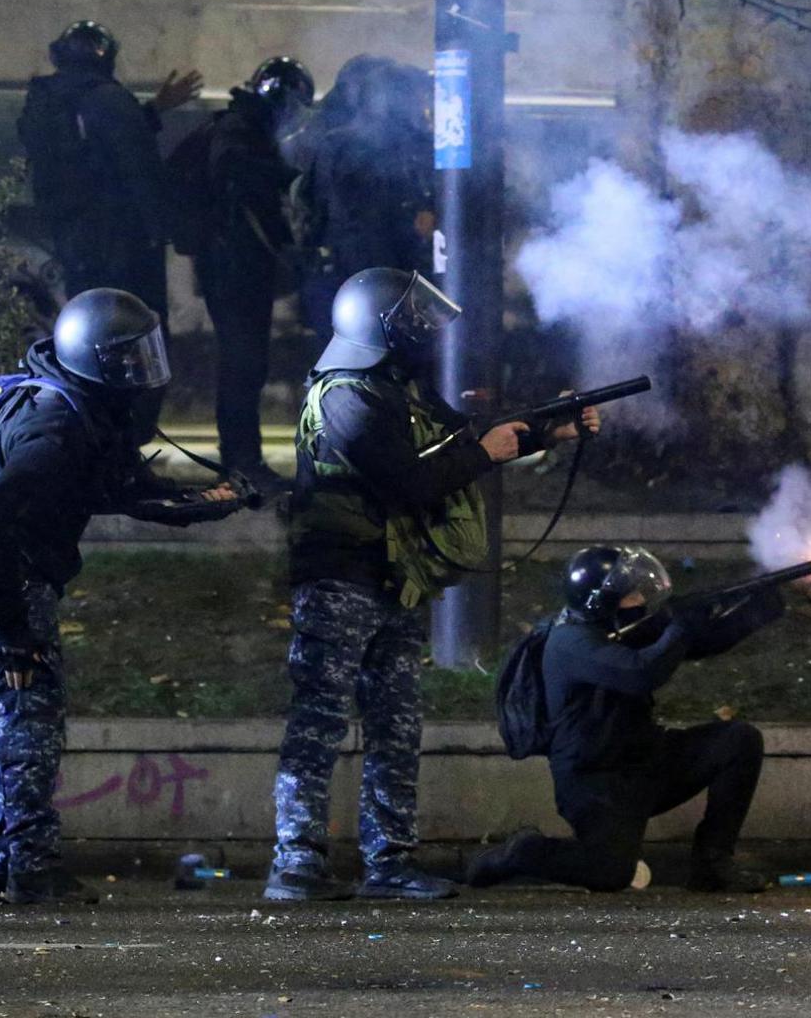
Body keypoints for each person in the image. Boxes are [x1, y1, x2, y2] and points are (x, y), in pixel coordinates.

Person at [268, 267, 600, 901]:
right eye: (411, 322)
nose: (424, 334)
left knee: (396, 727)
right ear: (380, 328)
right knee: (318, 724)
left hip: (394, 579)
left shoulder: (396, 389)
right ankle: (296, 863)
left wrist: (546, 430)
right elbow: (411, 481)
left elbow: (460, 439)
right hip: (340, 580)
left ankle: (389, 862)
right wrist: (487, 453)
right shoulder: (346, 396)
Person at [0, 289, 242, 905]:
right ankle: (32, 870)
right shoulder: (54, 427)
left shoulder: (80, 409)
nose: (141, 372)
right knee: (30, 718)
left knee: (1, 717)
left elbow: (114, 490)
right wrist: (13, 631)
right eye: (127, 360)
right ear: (94, 360)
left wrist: (204, 505)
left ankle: (1, 868)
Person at [466, 546, 784, 893]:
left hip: (646, 759)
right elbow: (640, 673)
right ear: (599, 601)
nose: (639, 599)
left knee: (738, 741)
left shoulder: (619, 627)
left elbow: (700, 642)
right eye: (629, 594)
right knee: (610, 873)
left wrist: (761, 607)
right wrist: (680, 627)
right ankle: (523, 853)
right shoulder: (570, 640)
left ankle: (712, 864)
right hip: (596, 783)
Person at [17, 20, 203, 444]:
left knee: (89, 345)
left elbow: (90, 156)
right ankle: (127, 448)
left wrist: (152, 111)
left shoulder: (48, 101)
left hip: (76, 243)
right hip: (125, 249)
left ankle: (91, 442)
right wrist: (169, 229)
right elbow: (138, 170)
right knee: (138, 344)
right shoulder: (109, 99)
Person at [187, 56, 314, 493]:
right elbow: (234, 172)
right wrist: (287, 176)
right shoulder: (239, 129)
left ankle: (243, 460)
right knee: (242, 365)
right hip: (234, 268)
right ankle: (241, 462)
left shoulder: (245, 126)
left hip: (238, 266)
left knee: (246, 364)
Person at [297, 59, 434, 344]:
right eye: (415, 101)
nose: (422, 110)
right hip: (372, 283)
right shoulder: (383, 151)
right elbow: (375, 228)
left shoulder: (336, 142)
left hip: (338, 281)